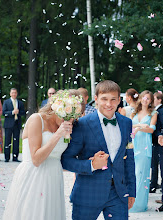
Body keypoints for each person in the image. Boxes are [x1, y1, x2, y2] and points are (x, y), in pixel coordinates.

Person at [61, 80, 136, 220]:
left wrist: (131, 191)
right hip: (87, 194)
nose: (109, 104)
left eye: (113, 99)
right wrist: (91, 165)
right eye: (104, 99)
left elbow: (129, 159)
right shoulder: (82, 124)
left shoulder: (126, 123)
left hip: (118, 195)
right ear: (95, 99)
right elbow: (66, 160)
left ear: (119, 100)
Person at [3, 89, 81, 220]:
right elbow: (36, 159)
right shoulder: (36, 119)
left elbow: (62, 157)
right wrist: (57, 135)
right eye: (67, 114)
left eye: (74, 115)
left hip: (54, 178)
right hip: (34, 177)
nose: (70, 119)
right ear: (56, 107)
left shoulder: (66, 124)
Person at [130, 90, 157, 212]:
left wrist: (139, 128)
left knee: (141, 175)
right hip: (133, 145)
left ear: (151, 101)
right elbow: (129, 127)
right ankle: (130, 203)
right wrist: (141, 126)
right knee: (132, 174)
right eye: (143, 98)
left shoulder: (153, 113)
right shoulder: (134, 112)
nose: (145, 100)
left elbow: (151, 130)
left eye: (148, 98)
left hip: (144, 147)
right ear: (140, 99)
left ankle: (139, 205)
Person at [2, 88, 25, 162]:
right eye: (12, 93)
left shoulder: (20, 103)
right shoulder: (6, 102)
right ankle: (7, 158)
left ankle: (15, 157)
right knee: (7, 141)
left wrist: (18, 112)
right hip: (8, 124)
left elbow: (23, 112)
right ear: (10, 93)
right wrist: (12, 112)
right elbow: (3, 112)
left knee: (16, 141)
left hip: (17, 124)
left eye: (15, 93)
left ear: (17, 93)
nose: (14, 94)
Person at [150, 92, 163, 193]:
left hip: (158, 142)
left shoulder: (160, 111)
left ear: (159, 100)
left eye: (154, 99)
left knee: (156, 164)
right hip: (156, 141)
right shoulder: (157, 110)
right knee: (155, 164)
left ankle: (154, 184)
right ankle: (154, 183)